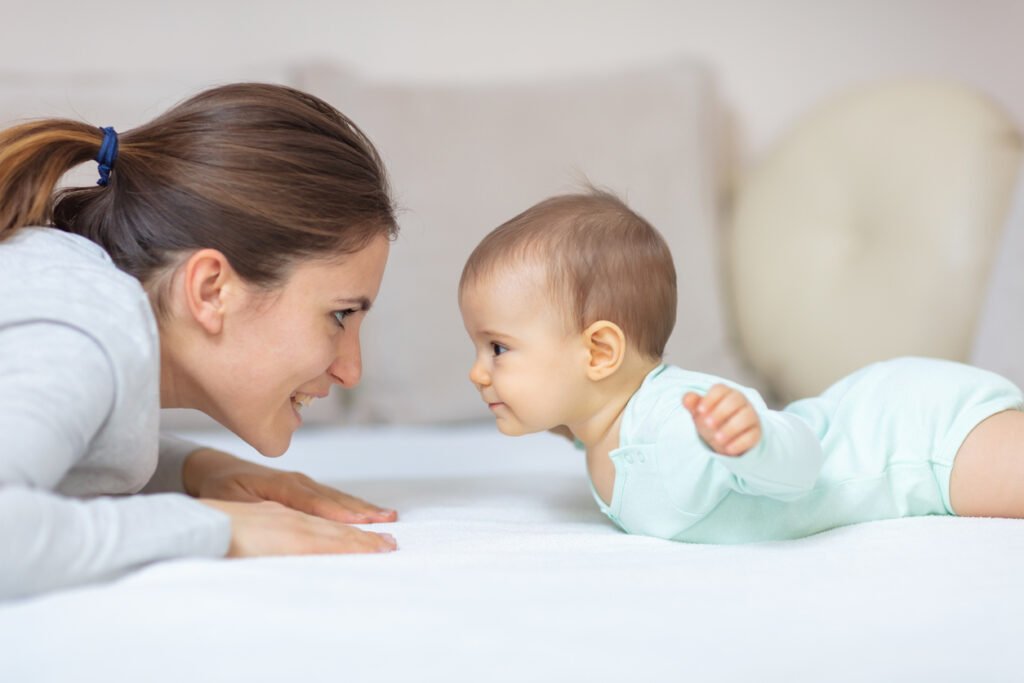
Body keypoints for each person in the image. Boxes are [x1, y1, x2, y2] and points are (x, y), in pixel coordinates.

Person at [0, 83, 402, 600]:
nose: (352, 370)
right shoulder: (81, 334)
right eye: (340, 315)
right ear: (211, 290)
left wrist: (192, 470)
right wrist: (212, 524)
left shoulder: (72, 304)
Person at [458, 189, 1024, 543]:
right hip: (889, 419)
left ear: (600, 353)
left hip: (918, 442)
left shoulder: (677, 422)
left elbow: (801, 463)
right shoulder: (598, 426)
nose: (478, 372)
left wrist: (753, 442)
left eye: (498, 349)